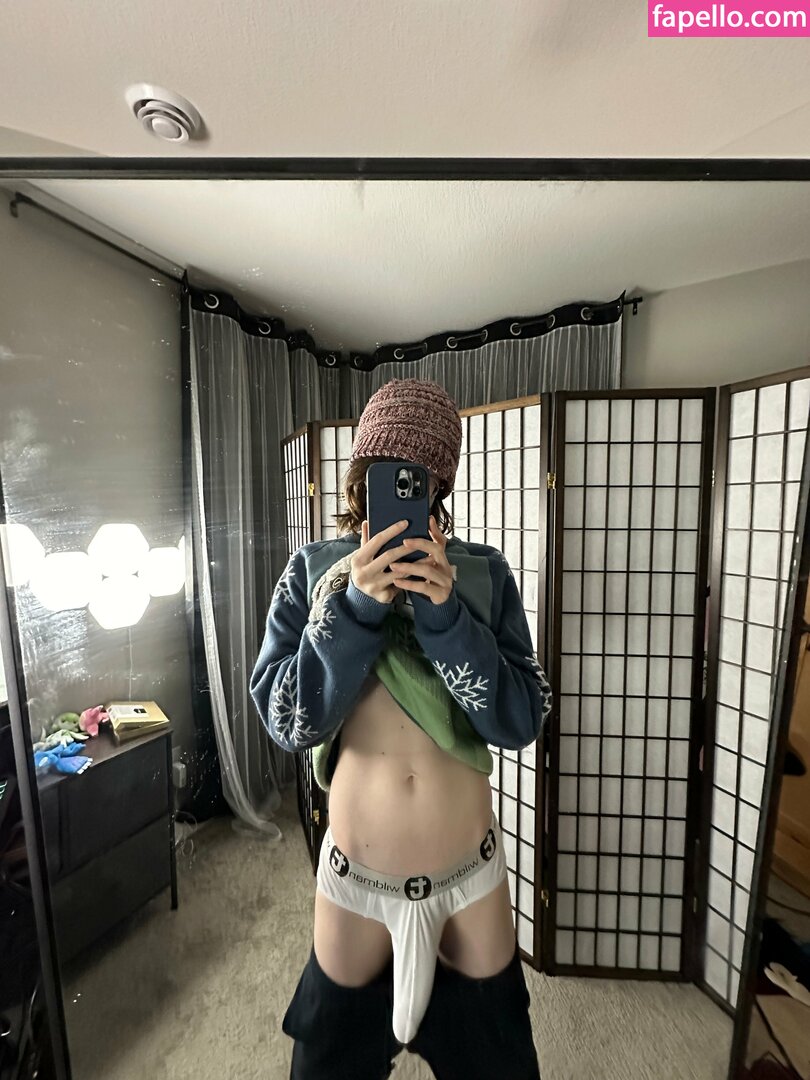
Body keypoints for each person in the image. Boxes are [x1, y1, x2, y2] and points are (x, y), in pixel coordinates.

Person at [250, 378, 552, 1080]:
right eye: (385, 470)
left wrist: (447, 617)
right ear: (361, 474)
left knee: (500, 1065)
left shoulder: (481, 574)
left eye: (418, 474)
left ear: (439, 483)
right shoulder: (313, 572)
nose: (401, 485)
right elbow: (288, 719)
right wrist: (355, 605)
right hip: (355, 886)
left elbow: (519, 720)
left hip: (471, 885)